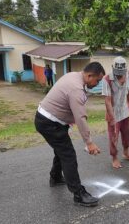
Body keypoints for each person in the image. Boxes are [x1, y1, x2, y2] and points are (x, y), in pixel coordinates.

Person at [34, 62, 105, 207]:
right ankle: (78, 194)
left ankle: (55, 178)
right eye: (97, 80)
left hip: (48, 120)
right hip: (50, 123)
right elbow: (80, 118)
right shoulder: (76, 89)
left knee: (61, 150)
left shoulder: (73, 75)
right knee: (68, 155)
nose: (97, 83)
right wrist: (89, 142)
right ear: (89, 75)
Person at [102, 56, 129, 169]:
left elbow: (127, 92)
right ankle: (114, 158)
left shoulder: (128, 74)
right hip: (114, 113)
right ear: (113, 68)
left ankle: (126, 153)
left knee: (127, 133)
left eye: (121, 72)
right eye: (117, 72)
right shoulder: (107, 80)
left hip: (124, 111)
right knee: (114, 137)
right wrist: (112, 118)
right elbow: (107, 101)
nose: (119, 75)